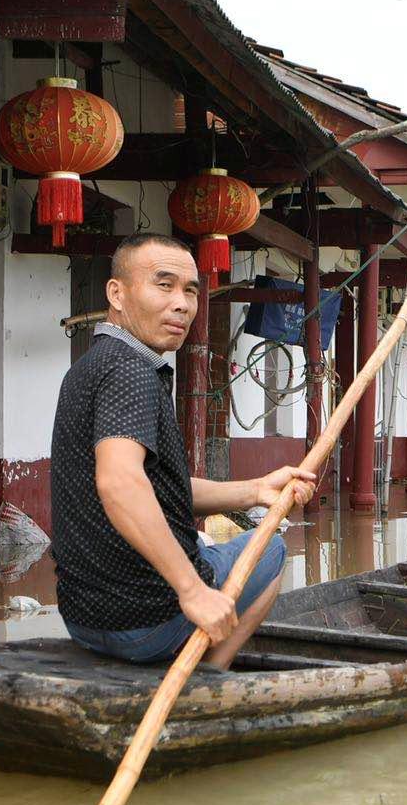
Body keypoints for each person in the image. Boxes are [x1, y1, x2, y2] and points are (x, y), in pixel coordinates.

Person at [51, 233, 316, 669]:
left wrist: (255, 490)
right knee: (271, 548)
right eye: (164, 284)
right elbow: (120, 483)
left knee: (232, 538)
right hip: (148, 622)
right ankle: (210, 676)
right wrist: (192, 592)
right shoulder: (129, 372)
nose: (182, 304)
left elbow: (161, 489)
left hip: (84, 622)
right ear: (116, 293)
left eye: (190, 290)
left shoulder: (91, 365)